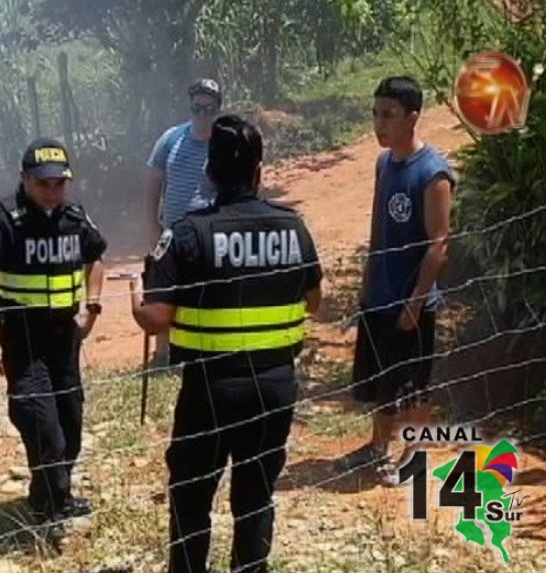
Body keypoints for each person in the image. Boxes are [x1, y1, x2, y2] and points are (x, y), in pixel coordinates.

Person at [131, 115, 323, 573]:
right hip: (274, 386)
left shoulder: (188, 233)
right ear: (259, 170)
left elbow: (155, 318)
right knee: (255, 496)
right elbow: (313, 301)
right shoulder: (292, 228)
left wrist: (136, 298)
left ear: (208, 173)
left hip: (210, 391)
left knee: (192, 496)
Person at [0, 138, 107, 524]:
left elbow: (96, 258)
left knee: (71, 422)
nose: (51, 191)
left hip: (64, 335)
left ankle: (51, 497)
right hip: (21, 336)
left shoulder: (75, 217)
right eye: (43, 184)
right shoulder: (0, 218)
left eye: (59, 183)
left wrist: (91, 307)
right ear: (25, 179)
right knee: (41, 423)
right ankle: (50, 505)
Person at [339, 76, 454, 485]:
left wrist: (415, 302)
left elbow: (439, 245)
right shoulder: (384, 163)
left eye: (388, 115)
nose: (379, 124)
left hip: (412, 301)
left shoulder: (433, 173)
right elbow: (377, 230)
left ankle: (416, 456)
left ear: (412, 118)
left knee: (413, 385)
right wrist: (367, 287)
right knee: (382, 379)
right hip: (380, 296)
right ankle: (376, 448)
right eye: (375, 114)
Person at [144, 78, 223, 366]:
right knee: (163, 293)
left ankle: (202, 351)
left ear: (217, 109)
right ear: (190, 106)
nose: (202, 114)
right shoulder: (170, 139)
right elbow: (153, 182)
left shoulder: (222, 144)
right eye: (197, 107)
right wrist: (152, 224)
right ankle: (161, 355)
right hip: (171, 232)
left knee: (205, 294)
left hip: (207, 233)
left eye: (208, 109)